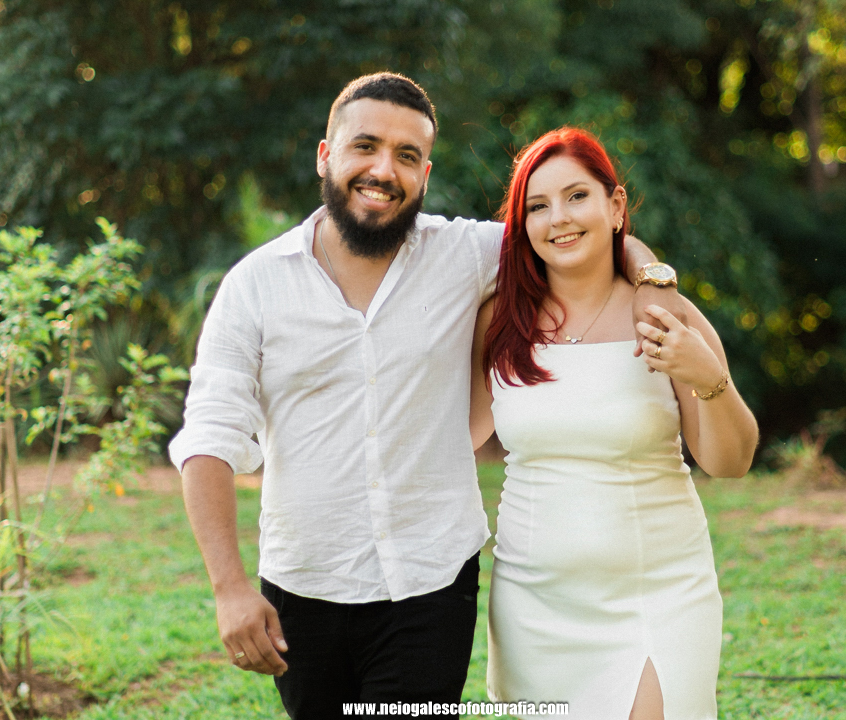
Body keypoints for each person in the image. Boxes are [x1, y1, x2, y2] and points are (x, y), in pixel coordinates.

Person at [169, 73, 680, 719]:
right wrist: (229, 588)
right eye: (365, 146)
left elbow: (581, 235)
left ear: (425, 173)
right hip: (304, 586)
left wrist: (654, 280)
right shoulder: (255, 286)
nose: (384, 170)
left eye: (406, 155)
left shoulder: (463, 254)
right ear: (325, 155)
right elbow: (209, 435)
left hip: (432, 582)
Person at [470, 127, 758, 720]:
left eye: (577, 196)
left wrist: (708, 375)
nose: (559, 218)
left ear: (616, 204)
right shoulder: (498, 321)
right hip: (534, 602)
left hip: (659, 593)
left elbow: (731, 461)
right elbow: (451, 438)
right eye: (538, 206)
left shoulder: (663, 316)